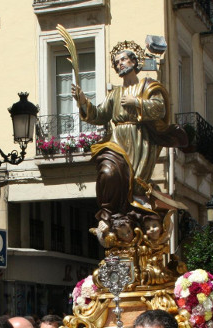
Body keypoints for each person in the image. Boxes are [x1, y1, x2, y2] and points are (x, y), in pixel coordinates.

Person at [71, 40, 187, 237]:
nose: (120, 64)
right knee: (108, 172)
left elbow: (160, 108)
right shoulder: (115, 93)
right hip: (118, 140)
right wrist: (83, 101)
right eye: (116, 62)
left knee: (136, 185)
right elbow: (99, 115)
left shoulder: (149, 86)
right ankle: (109, 214)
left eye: (123, 59)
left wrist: (137, 102)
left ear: (134, 61)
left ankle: (135, 221)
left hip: (141, 139)